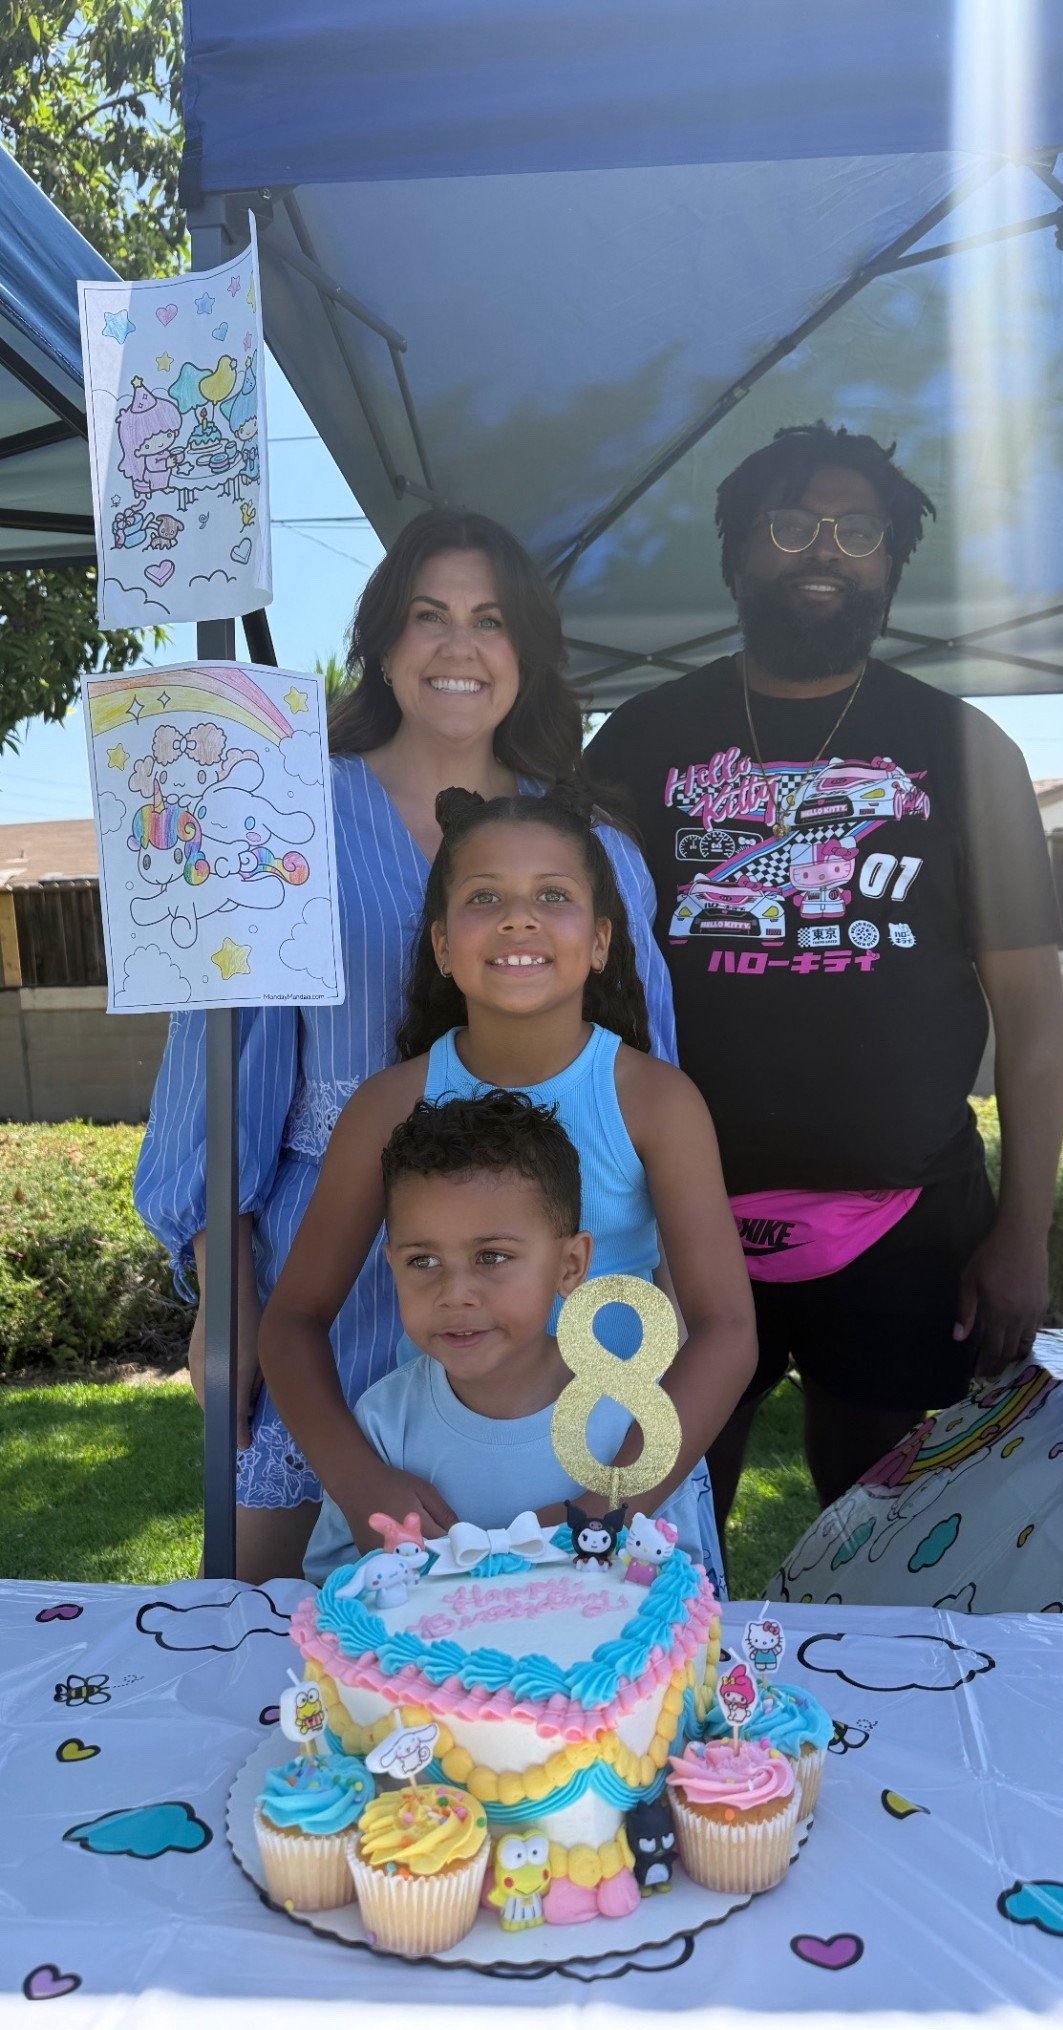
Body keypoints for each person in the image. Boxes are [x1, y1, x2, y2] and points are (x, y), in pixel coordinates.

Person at [134, 510, 677, 1583]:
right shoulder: (274, 815)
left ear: (526, 653)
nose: (459, 647)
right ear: (382, 642)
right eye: (429, 616)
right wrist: (227, 1300)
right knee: (273, 1631)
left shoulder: (590, 848)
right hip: (326, 1283)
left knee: (524, 1648)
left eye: (490, 620)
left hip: (535, 1309)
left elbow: (640, 1092)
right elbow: (219, 1064)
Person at [584, 422, 1063, 1524]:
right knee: (643, 1531)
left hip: (910, 1227)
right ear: (737, 554)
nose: (825, 549)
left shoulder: (965, 748)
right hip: (668, 1217)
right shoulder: (640, 742)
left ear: (893, 562)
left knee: (896, 1550)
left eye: (860, 531)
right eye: (792, 523)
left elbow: (1032, 1016)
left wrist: (1024, 1230)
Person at [260, 786, 756, 1593]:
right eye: (484, 896)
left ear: (600, 941)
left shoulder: (657, 1104)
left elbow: (727, 1328)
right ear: (442, 944)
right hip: (432, 1489)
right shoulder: (387, 1108)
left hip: (623, 1482)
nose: (518, 919)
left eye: (552, 897)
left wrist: (609, 1508)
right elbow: (292, 1322)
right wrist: (362, 1486)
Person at [304, 1091, 717, 1582]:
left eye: (492, 1257)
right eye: (424, 1261)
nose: (455, 1294)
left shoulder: (635, 1422)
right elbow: (331, 1589)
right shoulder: (381, 1428)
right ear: (392, 1266)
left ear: (570, 1265)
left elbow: (682, 1587)